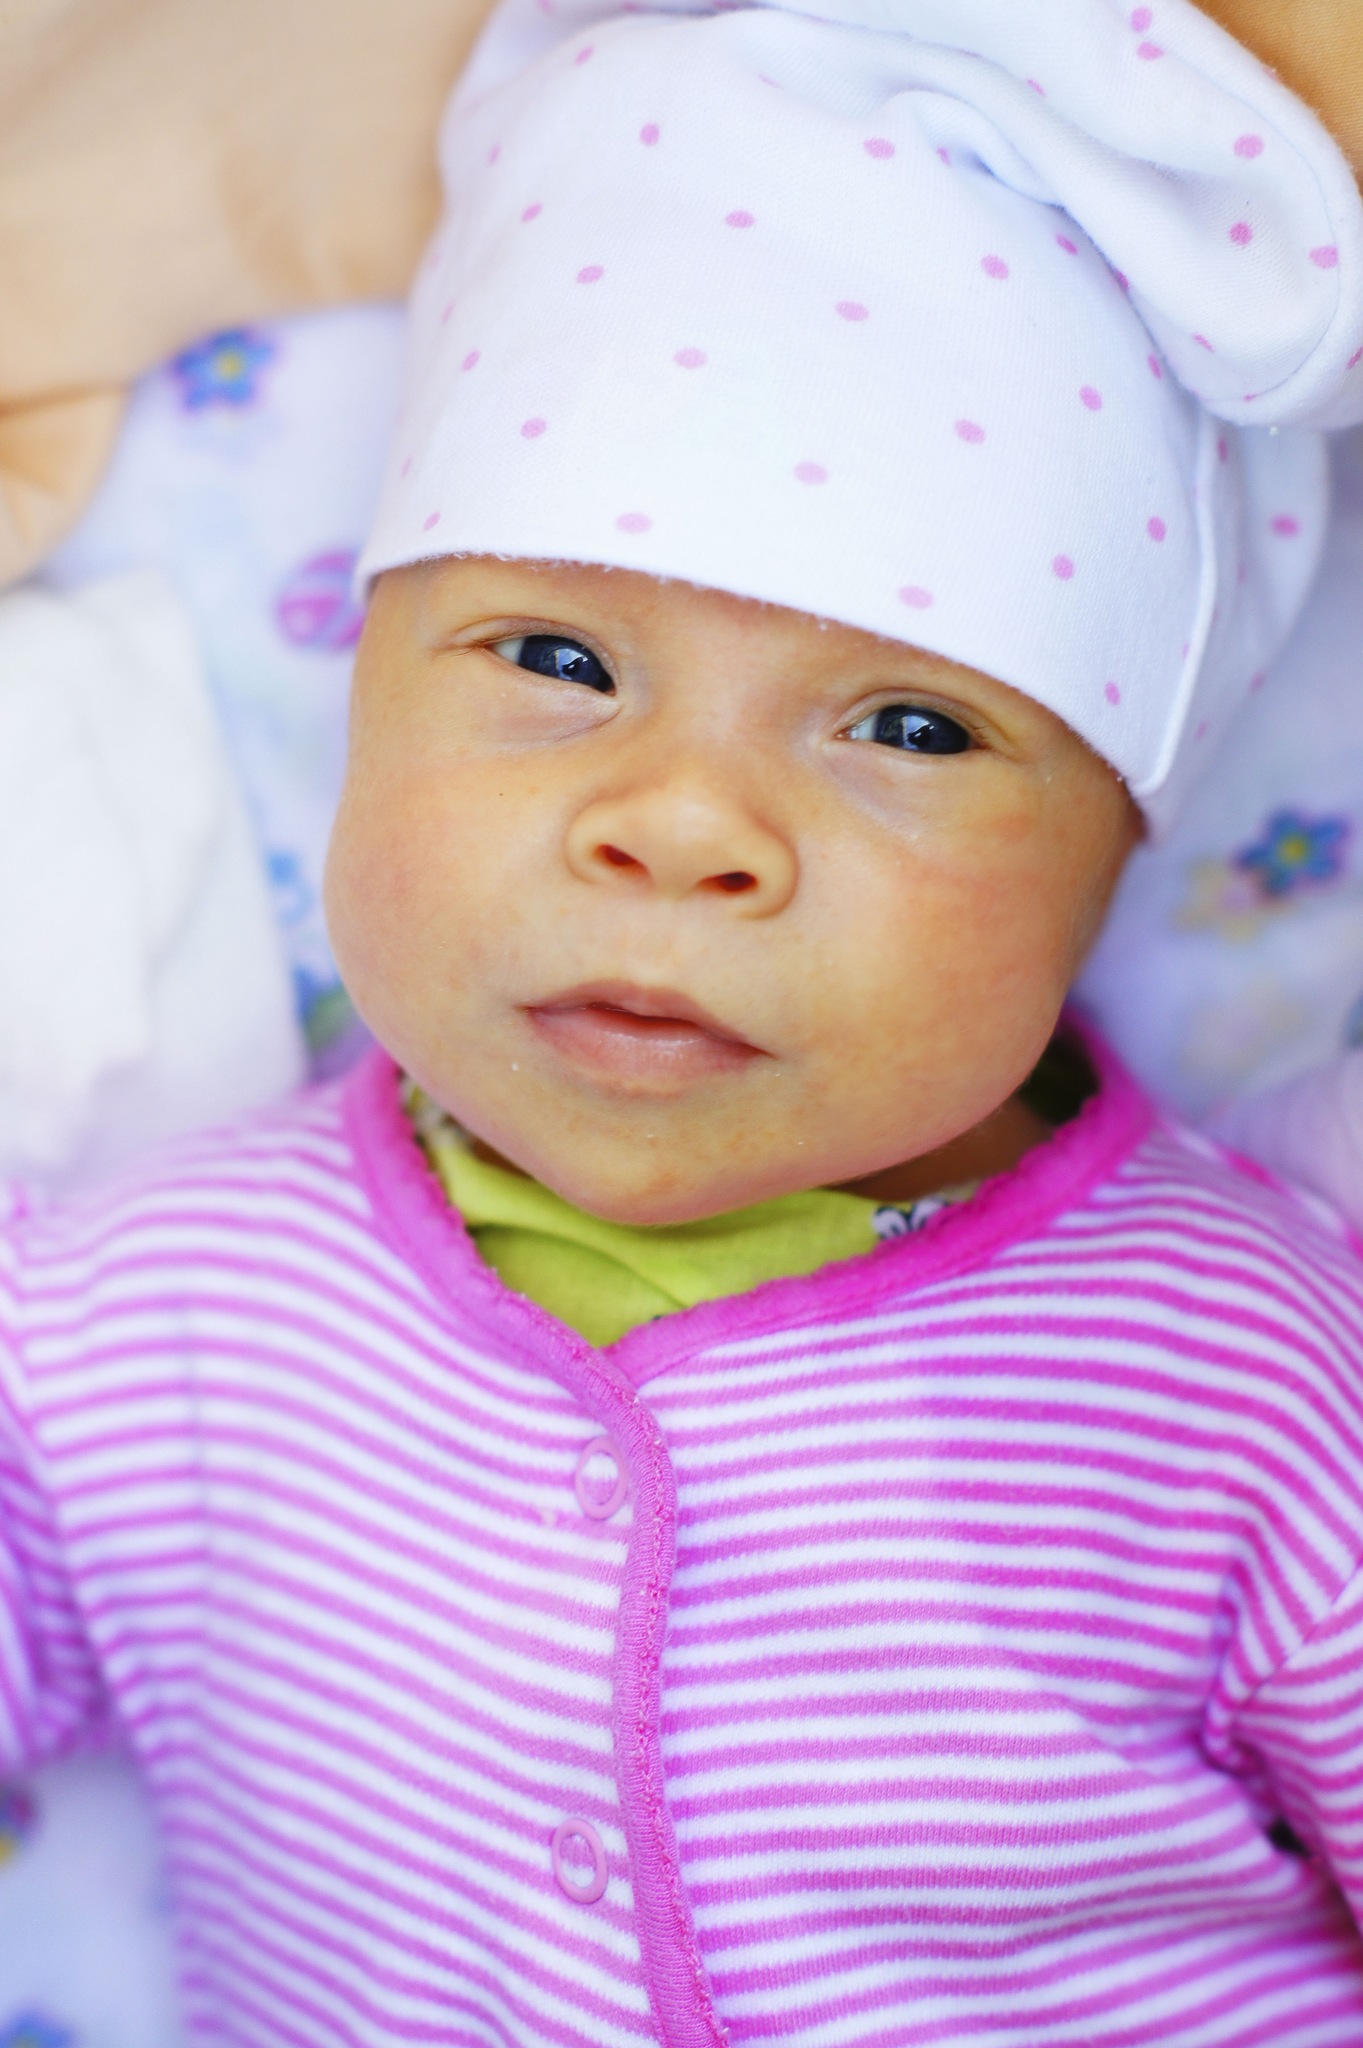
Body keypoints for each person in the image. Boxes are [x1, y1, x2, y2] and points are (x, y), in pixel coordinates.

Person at [5, 2, 1363, 2043]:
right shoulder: (138, 1317)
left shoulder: (1249, 1374)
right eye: (557, 659)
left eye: (911, 727)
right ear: (362, 696)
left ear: (1110, 853)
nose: (684, 828)